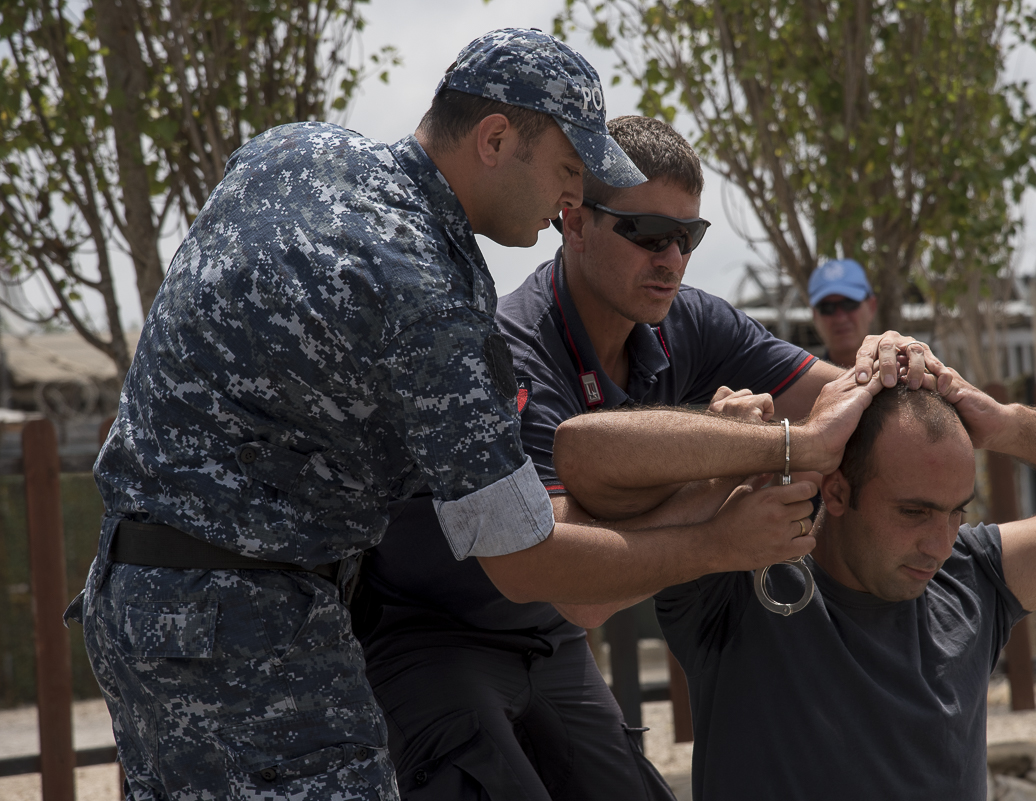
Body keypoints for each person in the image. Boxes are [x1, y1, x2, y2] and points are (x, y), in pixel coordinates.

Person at [68, 29, 822, 799]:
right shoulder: (430, 300)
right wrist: (716, 537)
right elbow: (529, 559)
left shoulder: (290, 151)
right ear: (496, 138)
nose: (570, 202)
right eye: (568, 170)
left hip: (130, 599)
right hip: (254, 632)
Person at [357, 115, 937, 799]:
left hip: (546, 641)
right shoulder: (513, 350)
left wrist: (884, 361)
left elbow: (842, 402)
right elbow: (575, 580)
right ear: (571, 219)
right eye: (644, 234)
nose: (670, 258)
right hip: (433, 634)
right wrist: (721, 497)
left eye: (687, 238)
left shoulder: (695, 321)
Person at [551, 367, 1036, 800]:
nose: (939, 543)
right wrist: (764, 447)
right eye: (914, 512)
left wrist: (1011, 425)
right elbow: (582, 452)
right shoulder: (742, 570)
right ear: (837, 491)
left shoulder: (972, 578)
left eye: (956, 511)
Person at [808, 258, 878, 367]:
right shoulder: (804, 383)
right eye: (827, 307)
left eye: (849, 304)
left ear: (871, 307)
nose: (840, 318)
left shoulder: (905, 374)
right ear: (815, 316)